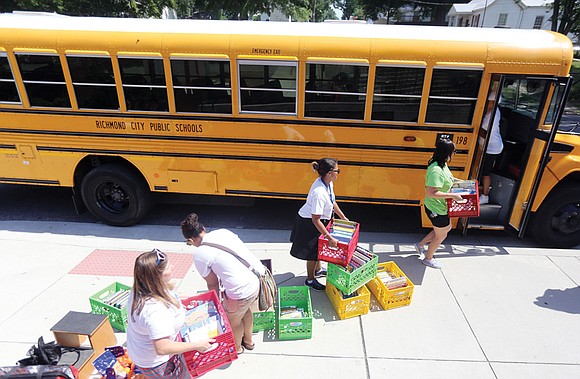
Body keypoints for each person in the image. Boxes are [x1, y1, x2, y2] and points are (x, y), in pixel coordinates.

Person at [126, 249, 216, 379]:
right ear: (157, 276)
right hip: (158, 362)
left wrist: (185, 298)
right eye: (168, 267)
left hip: (142, 352)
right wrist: (197, 345)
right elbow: (162, 348)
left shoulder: (142, 287)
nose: (172, 267)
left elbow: (166, 294)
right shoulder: (154, 311)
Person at [180, 213, 261, 355]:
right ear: (203, 228)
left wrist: (215, 304)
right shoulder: (223, 232)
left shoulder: (201, 254)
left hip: (240, 291)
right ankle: (249, 341)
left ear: (191, 240)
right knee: (244, 311)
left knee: (232, 321)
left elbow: (212, 284)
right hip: (255, 281)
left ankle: (237, 348)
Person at [289, 158, 349, 290]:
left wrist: (343, 217)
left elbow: (332, 201)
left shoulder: (328, 183)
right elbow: (315, 219)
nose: (338, 173)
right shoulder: (319, 193)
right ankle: (310, 280)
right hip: (309, 223)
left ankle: (318, 270)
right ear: (329, 173)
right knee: (312, 254)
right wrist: (329, 237)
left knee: (318, 250)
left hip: (318, 221)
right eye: (337, 170)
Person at [415, 139, 463, 269]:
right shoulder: (436, 169)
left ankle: (420, 245)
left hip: (440, 207)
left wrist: (465, 183)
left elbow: (448, 180)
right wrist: (453, 196)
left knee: (445, 229)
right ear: (447, 152)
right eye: (454, 151)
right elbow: (431, 192)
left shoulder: (443, 164)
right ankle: (428, 259)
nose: (455, 154)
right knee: (441, 235)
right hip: (435, 208)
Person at [480, 107, 504, 205]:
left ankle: (485, 196)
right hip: (489, 145)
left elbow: (483, 130)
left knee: (485, 172)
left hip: (491, 147)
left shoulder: (491, 112)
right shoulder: (493, 110)